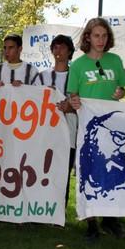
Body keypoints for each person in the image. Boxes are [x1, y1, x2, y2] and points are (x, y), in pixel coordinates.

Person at [67, 17, 125, 242]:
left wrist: (120, 92)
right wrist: (74, 101)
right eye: (96, 36)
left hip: (113, 127)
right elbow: (73, 94)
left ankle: (111, 219)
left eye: (104, 36)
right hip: (89, 128)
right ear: (88, 38)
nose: (100, 40)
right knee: (89, 172)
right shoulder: (79, 65)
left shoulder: (115, 60)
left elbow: (122, 88)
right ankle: (91, 222)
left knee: (113, 169)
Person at [39, 35, 77, 209]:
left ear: (69, 51)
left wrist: (69, 106)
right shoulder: (43, 76)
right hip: (45, 132)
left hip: (69, 131)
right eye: (55, 47)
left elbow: (83, 103)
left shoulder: (76, 76)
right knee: (42, 170)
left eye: (62, 47)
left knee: (63, 173)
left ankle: (58, 212)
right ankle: (40, 207)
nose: (58, 51)